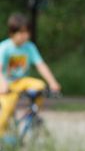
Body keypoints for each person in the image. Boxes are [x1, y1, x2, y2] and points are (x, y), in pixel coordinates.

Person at [0, 14, 63, 142]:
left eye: (27, 32)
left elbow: (41, 65)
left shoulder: (29, 47)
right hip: (7, 83)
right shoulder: (5, 47)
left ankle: (32, 115)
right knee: (6, 109)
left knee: (40, 86)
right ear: (12, 33)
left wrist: (53, 82)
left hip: (22, 81)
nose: (25, 36)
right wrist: (2, 83)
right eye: (21, 33)